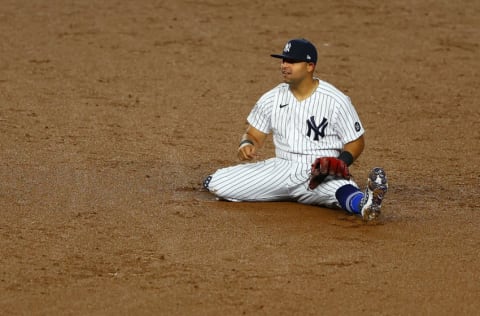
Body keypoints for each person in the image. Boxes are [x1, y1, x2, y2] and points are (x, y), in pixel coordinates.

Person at [203, 38, 388, 221]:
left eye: (291, 61)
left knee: (341, 190)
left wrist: (340, 163)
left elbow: (356, 141)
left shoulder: (335, 100)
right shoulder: (272, 97)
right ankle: (285, 192)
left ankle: (365, 204)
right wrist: (246, 143)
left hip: (319, 170)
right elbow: (253, 134)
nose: (284, 65)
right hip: (281, 168)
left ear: (310, 66)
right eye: (283, 60)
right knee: (216, 183)